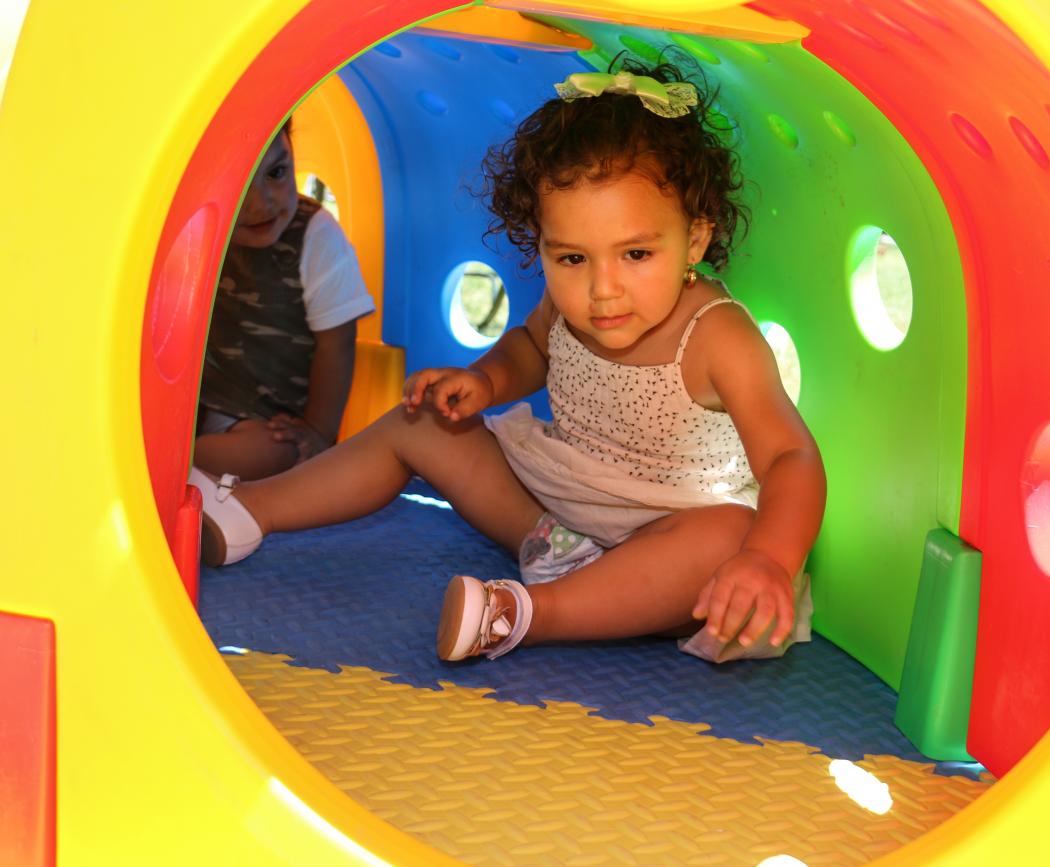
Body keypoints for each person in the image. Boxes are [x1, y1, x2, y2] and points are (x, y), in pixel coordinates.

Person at [191, 58, 826, 665]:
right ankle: (251, 509)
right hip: (558, 520)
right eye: (572, 258)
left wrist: (769, 559)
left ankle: (524, 615)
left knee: (725, 535)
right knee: (422, 421)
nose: (602, 289)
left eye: (635, 255)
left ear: (695, 238)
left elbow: (789, 457)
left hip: (667, 543)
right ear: (542, 246)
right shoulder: (569, 305)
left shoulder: (716, 335)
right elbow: (531, 347)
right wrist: (484, 380)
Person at [194, 117, 376, 480]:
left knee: (275, 452)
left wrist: (318, 432)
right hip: (192, 406)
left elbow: (337, 342)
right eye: (238, 185)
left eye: (276, 172)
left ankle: (177, 465)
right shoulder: (196, 227)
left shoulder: (316, 235)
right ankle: (176, 461)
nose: (261, 202)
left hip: (268, 423)